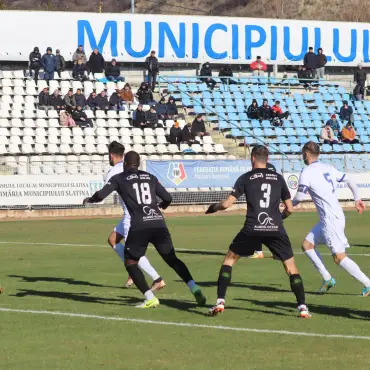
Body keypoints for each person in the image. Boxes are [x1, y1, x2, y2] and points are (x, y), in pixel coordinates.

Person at [83, 151, 206, 308]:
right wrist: (160, 208)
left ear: (125, 164)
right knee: (172, 259)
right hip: (158, 223)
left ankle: (150, 298)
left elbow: (100, 195)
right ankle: (193, 287)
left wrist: (90, 199)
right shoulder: (150, 177)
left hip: (139, 225)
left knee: (130, 261)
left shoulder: (119, 178)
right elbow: (168, 198)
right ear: (139, 164)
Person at [205, 145, 311, 318]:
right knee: (291, 267)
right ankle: (303, 307)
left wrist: (213, 207)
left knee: (229, 260)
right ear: (267, 159)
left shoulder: (246, 177)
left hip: (252, 227)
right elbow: (290, 208)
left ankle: (220, 302)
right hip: (275, 227)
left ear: (252, 158)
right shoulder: (278, 178)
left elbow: (226, 204)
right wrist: (279, 218)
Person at [292, 141, 370, 296]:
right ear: (318, 154)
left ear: (306, 154)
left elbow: (300, 196)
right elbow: (349, 179)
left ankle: (368, 283)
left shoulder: (307, 171)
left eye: (302, 154)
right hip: (334, 215)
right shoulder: (328, 168)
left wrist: (288, 204)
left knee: (339, 257)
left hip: (330, 220)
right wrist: (357, 199)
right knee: (307, 245)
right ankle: (327, 278)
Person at [101, 142, 166, 290]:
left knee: (133, 250)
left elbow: (104, 195)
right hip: (138, 212)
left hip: (132, 216)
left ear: (111, 155)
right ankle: (132, 269)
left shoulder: (112, 173)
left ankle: (157, 278)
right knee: (113, 239)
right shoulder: (132, 169)